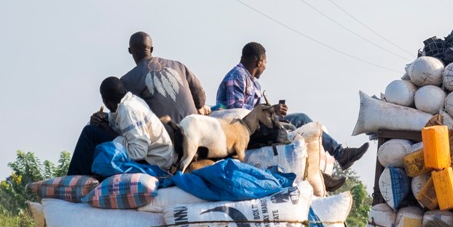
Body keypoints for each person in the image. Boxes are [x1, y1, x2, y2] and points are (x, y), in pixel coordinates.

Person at [216, 42, 369, 171]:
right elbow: (237, 114)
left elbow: (255, 113)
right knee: (297, 125)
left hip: (254, 127)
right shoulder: (237, 76)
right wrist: (271, 110)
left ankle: (338, 156)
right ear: (260, 62)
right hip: (241, 132)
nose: (265, 67)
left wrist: (272, 113)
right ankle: (340, 155)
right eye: (266, 62)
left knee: (300, 121)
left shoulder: (254, 83)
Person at [67, 77, 175, 176]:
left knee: (90, 133)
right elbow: (121, 124)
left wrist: (107, 128)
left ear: (106, 101)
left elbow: (138, 152)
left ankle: (73, 177)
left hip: (154, 163)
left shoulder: (128, 110)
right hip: (156, 158)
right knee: (94, 127)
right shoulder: (131, 100)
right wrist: (103, 119)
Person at [120, 31, 209, 123]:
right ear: (151, 49)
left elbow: (129, 114)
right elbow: (200, 97)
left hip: (164, 131)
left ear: (130, 51)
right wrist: (198, 107)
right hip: (194, 127)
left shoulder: (127, 80)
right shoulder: (178, 66)